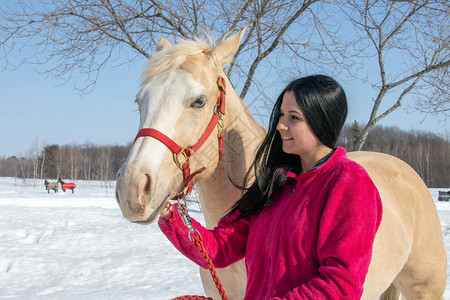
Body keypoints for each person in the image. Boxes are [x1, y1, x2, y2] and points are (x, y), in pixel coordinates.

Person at [158, 75, 383, 299]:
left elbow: (340, 286)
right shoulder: (275, 183)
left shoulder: (349, 183)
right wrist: (171, 217)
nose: (280, 125)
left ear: (321, 122)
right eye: (282, 114)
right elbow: (220, 247)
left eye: (294, 117)